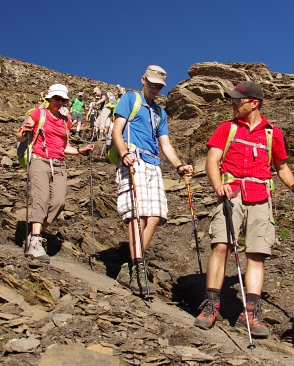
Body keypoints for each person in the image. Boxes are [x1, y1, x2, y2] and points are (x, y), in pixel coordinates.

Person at [193, 81, 294, 338]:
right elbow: (212, 161)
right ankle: (211, 304)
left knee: (257, 253)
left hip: (261, 195)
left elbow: (281, 167)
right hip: (230, 192)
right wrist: (217, 187)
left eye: (237, 100)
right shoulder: (226, 129)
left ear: (253, 103)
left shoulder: (272, 134)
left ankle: (251, 311)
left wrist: (293, 184)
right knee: (221, 244)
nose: (232, 104)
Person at [112, 65, 193, 295]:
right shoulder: (130, 99)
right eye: (153, 84)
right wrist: (124, 153)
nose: (156, 88)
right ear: (143, 80)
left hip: (153, 163)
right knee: (136, 215)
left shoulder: (160, 113)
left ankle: (131, 266)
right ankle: (137, 266)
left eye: (159, 86)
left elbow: (165, 144)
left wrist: (178, 165)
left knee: (155, 216)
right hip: (133, 159)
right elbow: (116, 130)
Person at [17, 84, 94, 262]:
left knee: (58, 202)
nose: (59, 102)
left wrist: (81, 150)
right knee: (41, 199)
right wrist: (24, 132)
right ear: (49, 99)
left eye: (62, 99)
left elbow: (65, 146)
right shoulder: (38, 113)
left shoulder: (65, 120)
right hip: (39, 160)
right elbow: (20, 135)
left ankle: (34, 234)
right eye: (56, 99)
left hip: (59, 164)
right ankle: (35, 241)